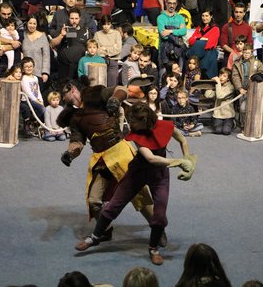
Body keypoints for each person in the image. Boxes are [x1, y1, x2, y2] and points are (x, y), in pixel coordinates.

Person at [73, 102, 195, 266]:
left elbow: (182, 139)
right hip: (137, 172)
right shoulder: (137, 135)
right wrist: (178, 162)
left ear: (144, 119)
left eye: (133, 121)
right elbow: (151, 158)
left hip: (159, 176)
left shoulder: (165, 125)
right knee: (114, 205)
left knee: (159, 214)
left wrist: (187, 158)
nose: (130, 125)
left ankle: (153, 248)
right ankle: (95, 237)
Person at [58, 80, 159, 249]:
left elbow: (121, 89)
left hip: (120, 151)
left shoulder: (95, 94)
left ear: (73, 89)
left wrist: (115, 99)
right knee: (93, 200)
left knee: (139, 194)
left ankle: (157, 229)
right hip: (101, 159)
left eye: (65, 94)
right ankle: (104, 230)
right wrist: (70, 154)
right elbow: (77, 141)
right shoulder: (75, 118)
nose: (65, 98)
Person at [51, 7, 91, 80]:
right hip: (65, 64)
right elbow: (53, 43)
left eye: (76, 18)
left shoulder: (86, 30)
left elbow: (91, 46)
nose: (74, 21)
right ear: (68, 18)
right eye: (72, 18)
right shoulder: (64, 29)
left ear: (80, 18)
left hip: (80, 64)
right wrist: (62, 35)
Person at [0, 2, 24, 82]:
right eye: (4, 14)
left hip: (12, 51)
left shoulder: (18, 22)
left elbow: (19, 41)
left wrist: (4, 48)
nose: (6, 16)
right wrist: (11, 42)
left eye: (9, 14)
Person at [231, 43, 263, 126]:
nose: (246, 54)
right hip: (242, 89)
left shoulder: (257, 63)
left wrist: (255, 77)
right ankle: (244, 125)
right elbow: (235, 77)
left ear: (252, 53)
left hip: (254, 89)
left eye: (248, 53)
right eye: (244, 52)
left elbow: (262, 73)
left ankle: (254, 124)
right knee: (242, 109)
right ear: (242, 52)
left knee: (254, 108)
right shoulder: (237, 63)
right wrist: (239, 88)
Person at [157, 0, 187, 79]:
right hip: (164, 52)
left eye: (174, 3)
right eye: (170, 3)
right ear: (166, 3)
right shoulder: (161, 18)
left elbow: (184, 32)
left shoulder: (180, 17)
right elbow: (164, 36)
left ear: (177, 4)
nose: (172, 5)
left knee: (178, 77)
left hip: (178, 50)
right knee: (163, 76)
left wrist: (170, 30)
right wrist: (178, 30)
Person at [187, 9, 219, 79]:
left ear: (211, 16)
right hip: (197, 51)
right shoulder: (199, 28)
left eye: (207, 16)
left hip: (207, 51)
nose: (204, 18)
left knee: (209, 52)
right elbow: (190, 41)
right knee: (199, 44)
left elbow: (210, 43)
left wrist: (198, 39)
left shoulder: (215, 29)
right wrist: (201, 39)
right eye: (203, 16)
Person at [220, 2, 253, 67]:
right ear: (234, 13)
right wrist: (234, 53)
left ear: (244, 13)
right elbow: (223, 44)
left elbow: (249, 44)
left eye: (240, 12)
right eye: (236, 12)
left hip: (244, 57)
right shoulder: (226, 26)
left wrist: (243, 54)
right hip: (229, 56)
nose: (238, 14)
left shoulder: (248, 28)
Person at [20, 57, 46, 136]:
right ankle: (29, 122)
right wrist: (36, 101)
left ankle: (31, 122)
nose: (29, 68)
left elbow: (37, 90)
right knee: (42, 109)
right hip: (27, 100)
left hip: (35, 99)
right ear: (23, 69)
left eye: (31, 66)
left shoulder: (35, 78)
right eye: (26, 67)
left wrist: (41, 100)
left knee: (42, 108)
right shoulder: (24, 78)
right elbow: (27, 92)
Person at [94, 15, 122, 87]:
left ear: (111, 24)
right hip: (100, 60)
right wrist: (112, 48)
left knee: (111, 85)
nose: (106, 26)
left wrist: (105, 48)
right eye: (104, 24)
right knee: (100, 84)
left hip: (113, 60)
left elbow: (118, 49)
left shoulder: (116, 34)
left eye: (108, 24)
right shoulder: (97, 34)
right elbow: (96, 50)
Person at [206, 67, 235, 135]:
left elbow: (219, 96)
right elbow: (208, 95)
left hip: (228, 115)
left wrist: (218, 83)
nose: (221, 77)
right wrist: (211, 84)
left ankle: (233, 123)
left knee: (226, 131)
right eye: (220, 75)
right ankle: (216, 122)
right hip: (218, 114)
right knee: (218, 131)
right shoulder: (217, 85)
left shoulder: (231, 87)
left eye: (224, 76)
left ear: (228, 78)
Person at [22, 14, 51, 84]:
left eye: (34, 23)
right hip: (25, 74)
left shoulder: (42, 36)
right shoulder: (22, 35)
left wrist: (45, 72)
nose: (32, 26)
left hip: (39, 74)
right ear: (26, 23)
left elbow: (46, 56)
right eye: (30, 23)